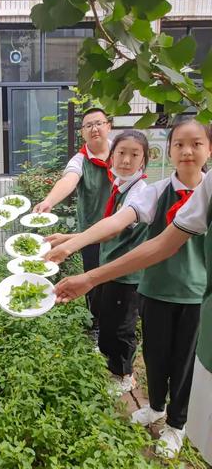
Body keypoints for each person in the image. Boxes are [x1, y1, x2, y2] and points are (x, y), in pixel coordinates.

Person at [54, 118, 212, 459]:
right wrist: (72, 243)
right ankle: (155, 407)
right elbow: (117, 221)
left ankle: (177, 424)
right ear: (168, 150)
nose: (187, 151)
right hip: (154, 289)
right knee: (155, 356)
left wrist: (74, 248)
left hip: (195, 294)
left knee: (183, 364)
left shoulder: (208, 193)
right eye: (179, 144)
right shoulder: (154, 192)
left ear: (209, 150)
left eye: (196, 144)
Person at [45, 130, 149, 394]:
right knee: (105, 314)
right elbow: (104, 227)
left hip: (127, 274)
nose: (126, 160)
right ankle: (107, 354)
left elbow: (113, 227)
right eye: (121, 153)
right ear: (112, 157)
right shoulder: (119, 187)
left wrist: (69, 246)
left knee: (122, 325)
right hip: (108, 266)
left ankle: (123, 374)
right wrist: (66, 237)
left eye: (134, 155)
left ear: (144, 161)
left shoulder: (141, 194)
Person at [34, 108, 113, 334]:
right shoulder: (80, 159)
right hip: (88, 234)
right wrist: (49, 201)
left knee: (120, 280)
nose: (94, 128)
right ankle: (96, 327)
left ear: (109, 126)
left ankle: (118, 328)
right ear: (82, 132)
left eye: (98, 123)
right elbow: (69, 179)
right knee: (92, 279)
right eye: (88, 125)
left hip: (123, 229)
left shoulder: (121, 153)